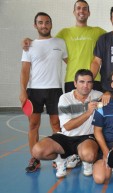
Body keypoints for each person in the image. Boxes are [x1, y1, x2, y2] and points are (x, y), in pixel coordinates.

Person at [23, 0, 113, 92]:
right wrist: (31, 42)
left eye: (85, 9)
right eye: (78, 8)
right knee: (74, 114)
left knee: (95, 115)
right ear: (74, 12)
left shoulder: (98, 32)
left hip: (95, 80)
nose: (81, 11)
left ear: (89, 13)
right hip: (72, 80)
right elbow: (48, 43)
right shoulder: (64, 32)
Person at [20, 12, 68, 173]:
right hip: (34, 91)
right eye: (40, 22)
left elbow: (72, 62)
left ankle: (58, 156)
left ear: (51, 24)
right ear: (35, 25)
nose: (44, 25)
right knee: (33, 124)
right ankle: (35, 157)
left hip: (55, 90)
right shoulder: (29, 45)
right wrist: (22, 92)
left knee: (56, 125)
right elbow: (25, 71)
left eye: (47, 22)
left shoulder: (60, 42)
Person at [32, 69, 102, 178]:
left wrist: (108, 94)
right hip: (66, 137)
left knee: (89, 155)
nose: (85, 85)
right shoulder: (65, 98)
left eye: (89, 82)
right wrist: (88, 113)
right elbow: (68, 126)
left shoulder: (98, 96)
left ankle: (86, 162)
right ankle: (61, 160)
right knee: (37, 151)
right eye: (82, 82)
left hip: (86, 137)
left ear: (93, 84)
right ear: (75, 83)